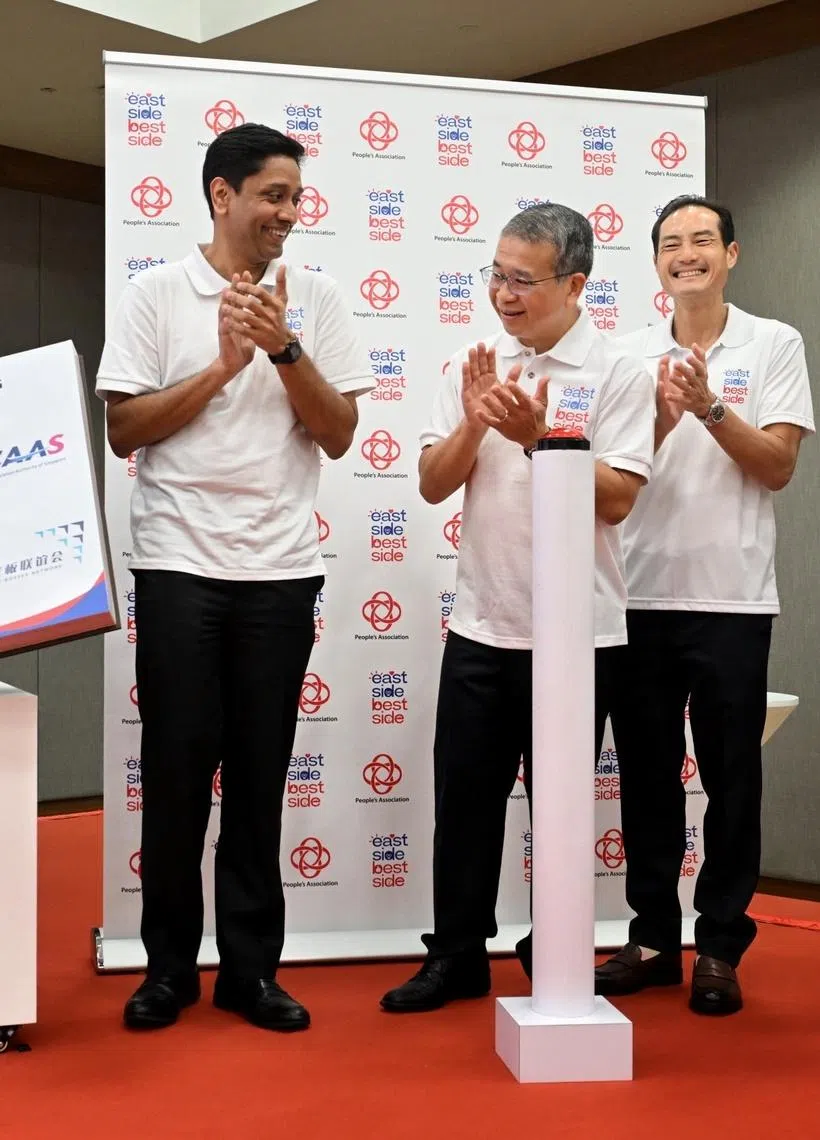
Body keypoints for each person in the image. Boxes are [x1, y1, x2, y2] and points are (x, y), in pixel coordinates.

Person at [96, 124, 371, 1032]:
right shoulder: (155, 294)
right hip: (178, 565)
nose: (290, 213)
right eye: (273, 195)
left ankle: (251, 972)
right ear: (223, 195)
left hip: (281, 571)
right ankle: (166, 969)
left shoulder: (318, 298)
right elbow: (125, 431)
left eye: (297, 197)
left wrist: (286, 349)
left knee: (259, 778)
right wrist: (222, 365)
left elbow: (336, 435)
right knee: (176, 775)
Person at [380, 203, 654, 1013]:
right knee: (463, 804)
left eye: (522, 279)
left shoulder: (620, 372)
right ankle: (458, 954)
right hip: (481, 625)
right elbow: (432, 484)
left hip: (577, 636)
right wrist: (473, 422)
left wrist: (545, 439)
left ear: (575, 283)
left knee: (561, 811)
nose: (502, 293)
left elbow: (619, 499)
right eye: (495, 274)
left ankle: (557, 952)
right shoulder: (477, 362)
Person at [596, 195, 814, 1015]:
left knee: (732, 780)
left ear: (731, 254)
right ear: (655, 263)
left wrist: (710, 407)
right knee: (645, 778)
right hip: (637, 595)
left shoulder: (774, 342)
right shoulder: (623, 353)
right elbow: (614, 471)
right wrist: (659, 409)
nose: (686, 254)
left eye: (701, 241)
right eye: (669, 244)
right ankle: (653, 938)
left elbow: (779, 466)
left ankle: (720, 945)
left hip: (733, 598)